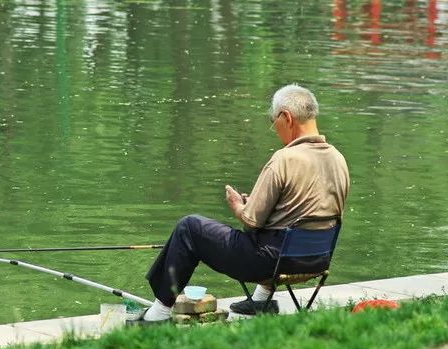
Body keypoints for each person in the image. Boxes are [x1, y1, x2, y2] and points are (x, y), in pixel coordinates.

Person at [132, 84, 350, 323]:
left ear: (286, 117)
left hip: (271, 263)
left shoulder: (284, 159)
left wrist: (239, 205)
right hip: (316, 260)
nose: (273, 127)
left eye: (273, 120)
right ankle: (260, 301)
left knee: (189, 228)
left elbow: (251, 220)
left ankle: (158, 315)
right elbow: (308, 214)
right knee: (275, 236)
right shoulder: (338, 158)